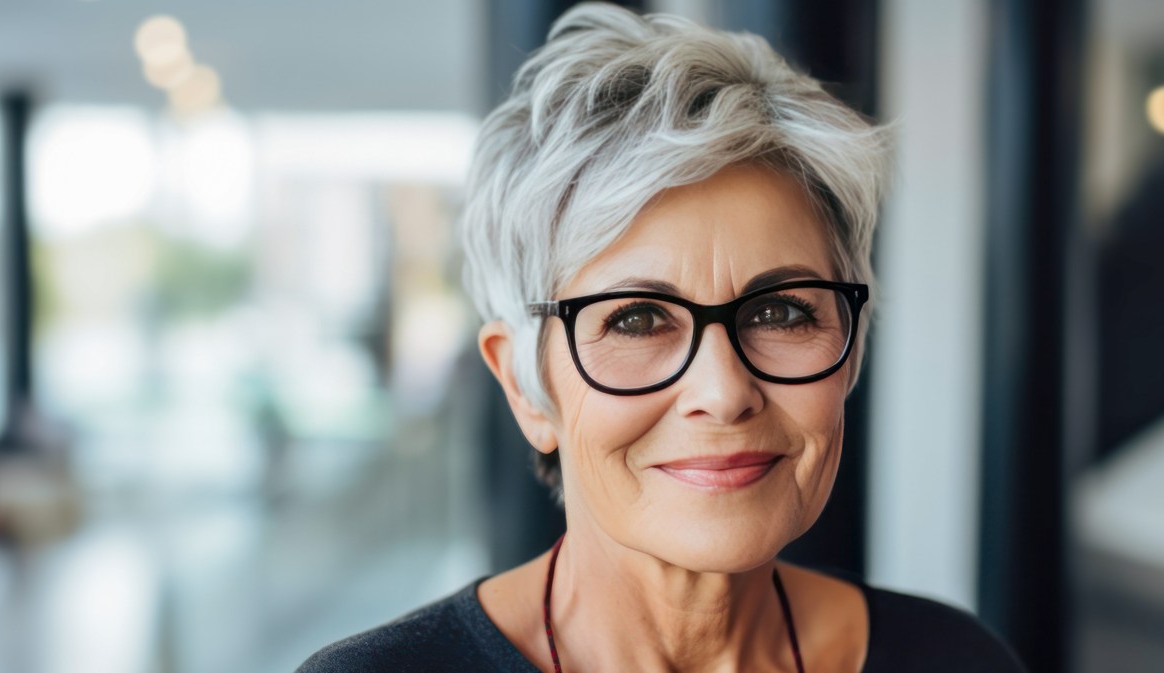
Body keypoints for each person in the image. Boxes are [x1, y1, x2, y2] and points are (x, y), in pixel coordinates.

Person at [298, 4, 1026, 672]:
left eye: (780, 312)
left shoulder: (956, 659)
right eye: (636, 319)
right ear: (524, 384)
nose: (724, 391)